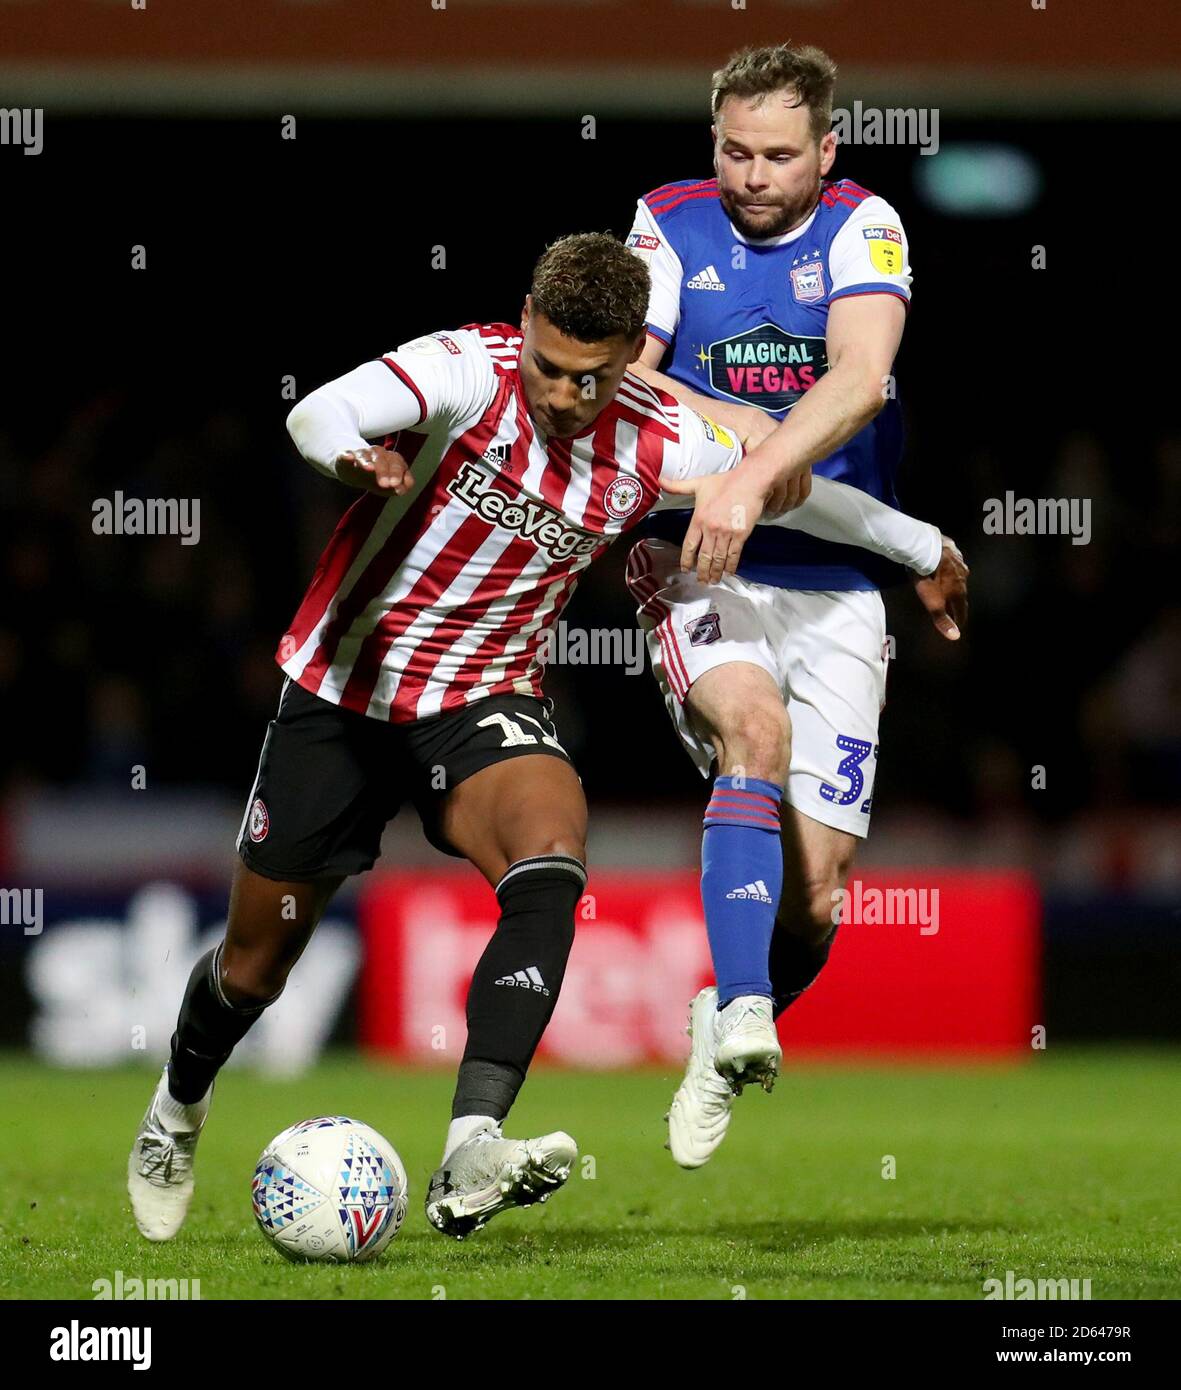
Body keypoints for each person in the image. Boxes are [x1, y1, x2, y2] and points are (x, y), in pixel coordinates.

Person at [128, 232, 955, 1244]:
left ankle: (472, 1144)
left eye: (592, 378)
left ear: (626, 361)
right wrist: (345, 452)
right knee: (253, 968)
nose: (565, 395)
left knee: (553, 854)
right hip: (345, 691)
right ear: (524, 321)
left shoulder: (657, 435)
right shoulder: (464, 371)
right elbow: (321, 407)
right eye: (551, 369)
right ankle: (176, 1108)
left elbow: (783, 488)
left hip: (481, 701)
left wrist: (915, 544)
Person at [623, 43, 968, 1166]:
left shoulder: (863, 227)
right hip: (699, 561)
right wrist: (738, 462)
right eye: (732, 149)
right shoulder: (665, 222)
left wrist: (738, 459)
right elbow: (626, 380)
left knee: (817, 901)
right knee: (751, 736)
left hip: (836, 578)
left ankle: (725, 1017)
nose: (751, 175)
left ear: (826, 149)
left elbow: (858, 377)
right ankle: (740, 1005)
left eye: (778, 154)